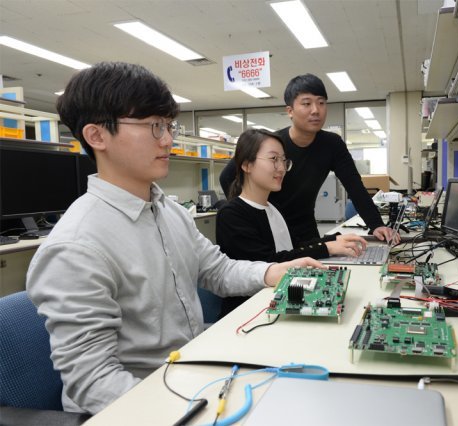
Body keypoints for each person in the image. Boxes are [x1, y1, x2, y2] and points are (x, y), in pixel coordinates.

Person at [26, 62, 323, 415]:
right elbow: (95, 382)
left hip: (189, 376)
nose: (168, 139)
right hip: (139, 407)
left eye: (168, 126)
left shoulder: (170, 211)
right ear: (97, 136)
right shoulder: (75, 246)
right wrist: (186, 412)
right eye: (154, 126)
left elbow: (217, 270)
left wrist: (273, 273)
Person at [219, 73, 398, 244]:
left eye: (321, 103)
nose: (315, 110)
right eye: (306, 103)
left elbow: (355, 186)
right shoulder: (272, 144)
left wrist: (377, 224)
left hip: (306, 231)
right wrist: (246, 214)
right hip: (270, 228)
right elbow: (227, 176)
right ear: (290, 111)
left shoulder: (332, 144)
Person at [216, 128, 367, 315]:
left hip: (280, 303)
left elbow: (295, 247)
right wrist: (327, 248)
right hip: (249, 313)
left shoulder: (273, 208)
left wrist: (333, 241)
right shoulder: (232, 215)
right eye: (273, 159)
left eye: (283, 160)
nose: (281, 168)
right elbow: (271, 264)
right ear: (247, 165)